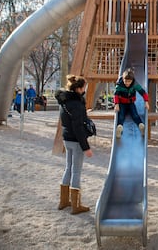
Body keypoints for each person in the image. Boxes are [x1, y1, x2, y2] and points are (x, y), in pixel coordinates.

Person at [55, 75, 93, 215]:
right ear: (78, 89)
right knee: (76, 171)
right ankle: (76, 206)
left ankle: (64, 201)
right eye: (84, 87)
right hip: (76, 141)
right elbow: (78, 127)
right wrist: (86, 147)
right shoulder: (77, 104)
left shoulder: (64, 101)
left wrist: (83, 114)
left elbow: (69, 121)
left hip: (67, 138)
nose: (85, 90)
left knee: (68, 168)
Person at [114, 68, 149, 138]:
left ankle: (141, 126)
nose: (127, 83)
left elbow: (143, 92)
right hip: (122, 103)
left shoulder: (134, 84)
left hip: (130, 103)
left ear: (132, 80)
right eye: (125, 81)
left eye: (129, 81)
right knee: (121, 116)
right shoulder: (119, 84)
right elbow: (116, 95)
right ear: (123, 79)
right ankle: (119, 129)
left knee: (135, 115)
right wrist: (116, 104)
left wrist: (146, 102)